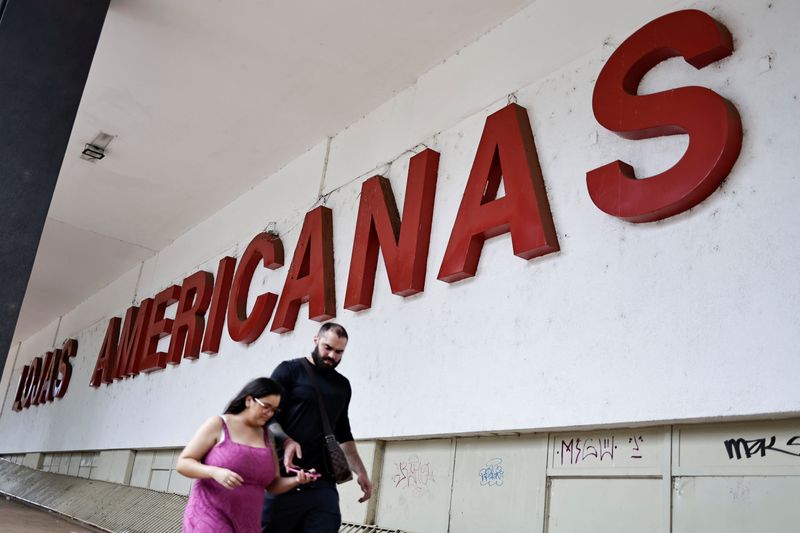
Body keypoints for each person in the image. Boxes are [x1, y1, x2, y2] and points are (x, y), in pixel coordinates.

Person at [261, 322, 372, 533]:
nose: (332, 356)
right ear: (316, 340)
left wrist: (361, 471)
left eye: (339, 352)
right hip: (283, 477)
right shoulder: (289, 371)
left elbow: (343, 432)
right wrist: (286, 440)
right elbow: (266, 417)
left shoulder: (343, 385)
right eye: (327, 348)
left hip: (322, 483)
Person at [178, 377, 317, 533]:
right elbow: (183, 463)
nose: (269, 413)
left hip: (247, 522)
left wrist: (297, 480)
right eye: (266, 406)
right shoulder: (218, 424)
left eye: (274, 410)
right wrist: (214, 472)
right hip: (210, 515)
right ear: (249, 400)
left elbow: (272, 484)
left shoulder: (267, 436)